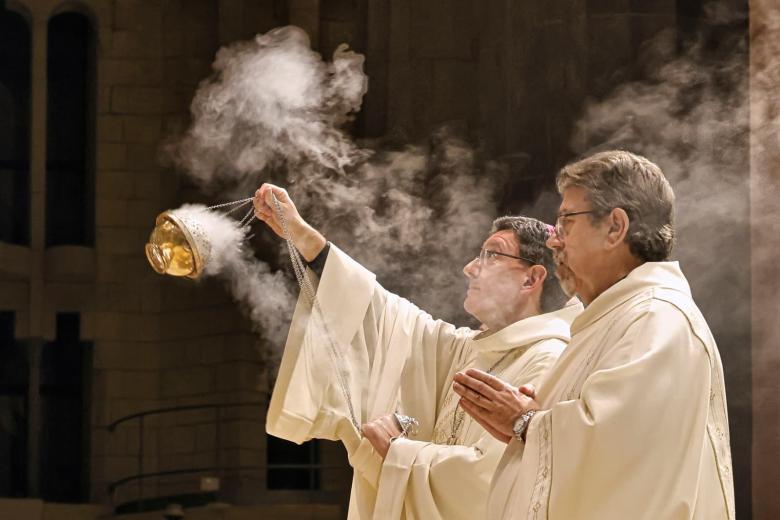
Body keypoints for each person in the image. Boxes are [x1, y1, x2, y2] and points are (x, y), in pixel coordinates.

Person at [253, 183, 582, 519]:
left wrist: (400, 453)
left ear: (531, 279)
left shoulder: (550, 361)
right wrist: (303, 236)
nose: (471, 267)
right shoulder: (468, 349)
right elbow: (379, 313)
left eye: (491, 255)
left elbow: (495, 483)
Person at [453, 150, 734, 519]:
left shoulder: (656, 319)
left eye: (566, 222)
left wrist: (525, 422)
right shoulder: (614, 317)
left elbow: (615, 451)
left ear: (615, 227)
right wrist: (541, 415)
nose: (555, 241)